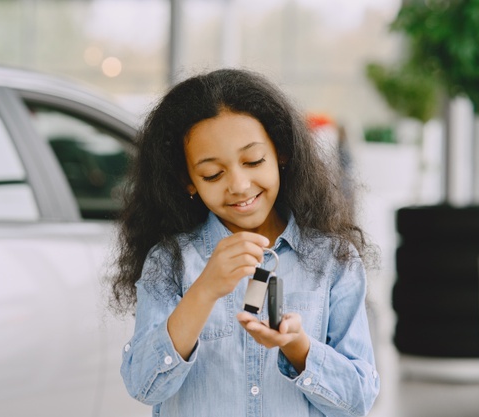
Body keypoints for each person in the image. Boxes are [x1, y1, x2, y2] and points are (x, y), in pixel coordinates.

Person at [108, 68, 380, 417]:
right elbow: (143, 384)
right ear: (188, 180)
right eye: (212, 174)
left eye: (253, 161)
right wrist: (204, 290)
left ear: (281, 152)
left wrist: (297, 347)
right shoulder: (170, 262)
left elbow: (358, 400)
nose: (238, 184)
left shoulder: (333, 260)